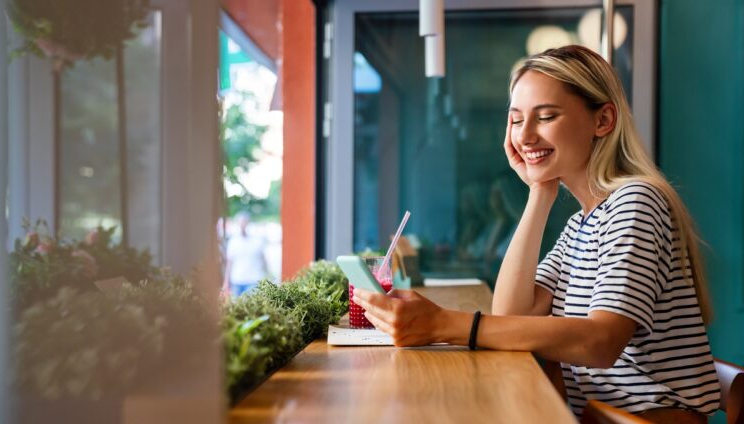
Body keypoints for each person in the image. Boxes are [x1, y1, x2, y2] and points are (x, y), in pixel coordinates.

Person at [352, 45, 720, 422]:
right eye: (515, 120)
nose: (525, 137)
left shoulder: (636, 202)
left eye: (545, 117)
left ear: (603, 120)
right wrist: (539, 193)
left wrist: (443, 325)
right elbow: (511, 313)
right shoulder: (582, 223)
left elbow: (601, 342)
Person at [224, 212, 269, 296]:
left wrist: (268, 278)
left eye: (244, 223)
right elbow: (229, 263)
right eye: (240, 223)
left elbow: (263, 260)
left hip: (254, 280)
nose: (242, 226)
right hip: (237, 280)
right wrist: (226, 282)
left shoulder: (257, 241)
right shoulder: (233, 242)